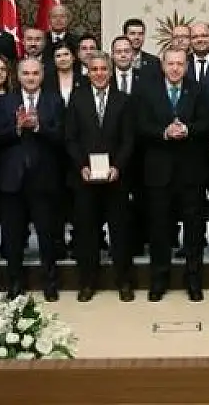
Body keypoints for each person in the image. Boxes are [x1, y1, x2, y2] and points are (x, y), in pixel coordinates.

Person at [137, 48, 209, 302]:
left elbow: (208, 123)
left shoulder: (198, 89)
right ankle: (159, 280)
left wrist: (188, 130)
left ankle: (194, 280)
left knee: (194, 230)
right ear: (162, 65)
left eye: (180, 64)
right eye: (170, 63)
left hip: (191, 173)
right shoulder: (147, 91)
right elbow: (140, 125)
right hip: (158, 173)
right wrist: (164, 132)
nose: (175, 68)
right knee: (159, 229)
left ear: (186, 66)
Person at [64, 52, 136, 302]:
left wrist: (118, 166)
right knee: (87, 233)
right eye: (94, 69)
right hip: (85, 179)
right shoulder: (77, 99)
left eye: (104, 69)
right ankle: (87, 282)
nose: (99, 74)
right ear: (88, 72)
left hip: (116, 178)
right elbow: (70, 138)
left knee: (120, 233)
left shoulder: (123, 100)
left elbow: (128, 140)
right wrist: (81, 166)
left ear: (111, 71)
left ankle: (124, 281)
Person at [0, 58, 64, 300]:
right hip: (12, 180)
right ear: (18, 76)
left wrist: (38, 127)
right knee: (13, 236)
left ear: (42, 75)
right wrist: (16, 127)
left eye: (35, 73)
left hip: (44, 179)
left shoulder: (54, 100)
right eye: (26, 73)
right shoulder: (6, 101)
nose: (31, 77)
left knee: (47, 235)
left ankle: (50, 282)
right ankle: (15, 283)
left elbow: (62, 135)